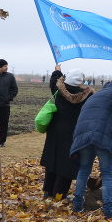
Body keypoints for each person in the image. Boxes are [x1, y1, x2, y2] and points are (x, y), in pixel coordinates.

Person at [70, 78, 112, 219]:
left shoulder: (97, 95)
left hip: (83, 135)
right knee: (108, 174)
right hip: (101, 135)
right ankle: (109, 213)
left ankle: (77, 206)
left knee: (84, 170)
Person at [40, 64, 94, 199]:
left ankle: (48, 191)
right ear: (80, 81)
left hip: (55, 131)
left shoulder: (58, 91)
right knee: (67, 163)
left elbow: (53, 82)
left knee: (53, 159)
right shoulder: (88, 96)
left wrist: (57, 71)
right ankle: (59, 193)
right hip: (74, 133)